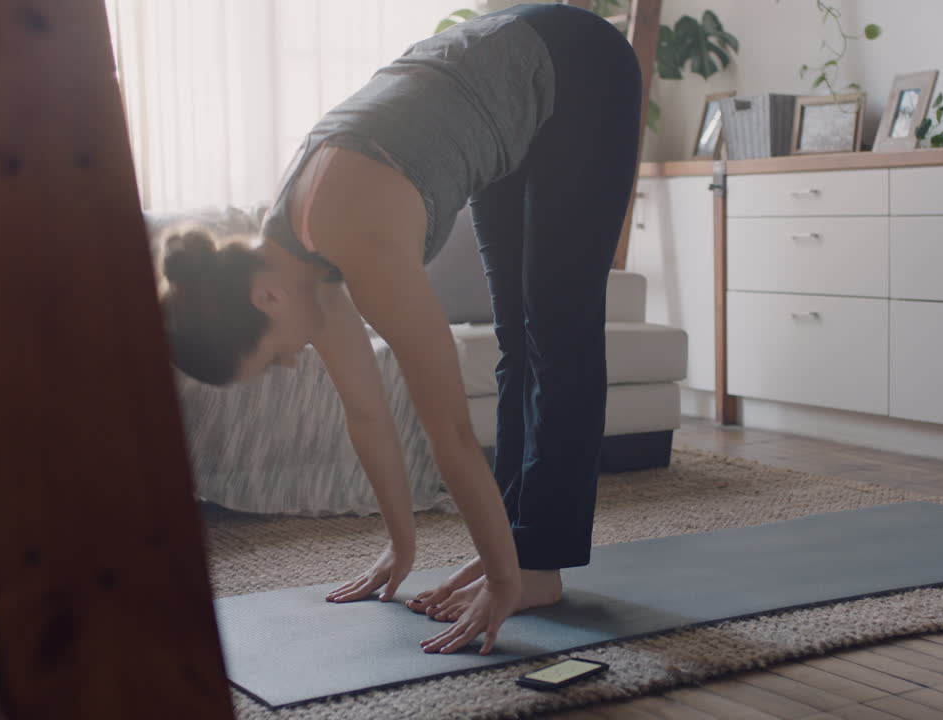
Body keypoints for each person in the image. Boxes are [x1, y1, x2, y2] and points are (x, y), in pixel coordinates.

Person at [158, 3, 641, 655]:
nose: (293, 363)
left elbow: (450, 432)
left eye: (273, 356)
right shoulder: (298, 260)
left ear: (264, 298)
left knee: (557, 332)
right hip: (506, 85)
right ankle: (522, 547)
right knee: (517, 339)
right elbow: (365, 412)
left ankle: (536, 568)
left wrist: (502, 583)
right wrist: (401, 546)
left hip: (577, 64)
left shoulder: (354, 235)